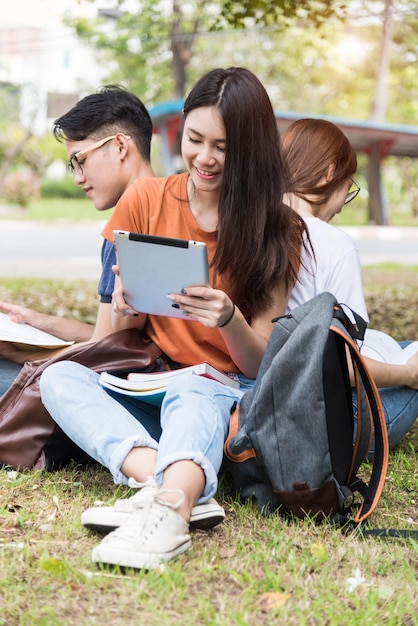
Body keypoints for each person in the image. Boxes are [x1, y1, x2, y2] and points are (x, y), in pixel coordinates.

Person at [39, 67, 307, 570]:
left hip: (225, 392)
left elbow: (259, 366)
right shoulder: (145, 199)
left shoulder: (277, 226)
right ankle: (169, 477)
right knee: (60, 379)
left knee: (195, 387)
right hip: (156, 387)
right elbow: (114, 344)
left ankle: (169, 512)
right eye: (194, 139)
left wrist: (228, 318)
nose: (204, 158)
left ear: (250, 149)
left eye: (222, 146)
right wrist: (125, 303)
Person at [0, 85, 154, 395]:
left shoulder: (131, 219)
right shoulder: (167, 205)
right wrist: (38, 320)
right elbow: (108, 334)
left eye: (79, 160)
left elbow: (107, 349)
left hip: (118, 389)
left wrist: (26, 355)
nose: (78, 177)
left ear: (121, 146)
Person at [282, 117, 418, 454]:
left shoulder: (251, 225)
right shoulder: (333, 244)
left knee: (403, 344)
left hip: (267, 403)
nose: (343, 204)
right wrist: (406, 376)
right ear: (329, 174)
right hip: (332, 430)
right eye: (348, 187)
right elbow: (344, 366)